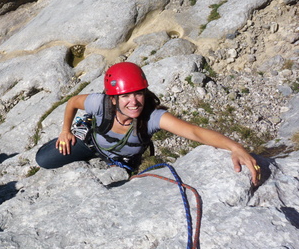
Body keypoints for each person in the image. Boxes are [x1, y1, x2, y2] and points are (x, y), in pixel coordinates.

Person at [35, 62, 261, 185]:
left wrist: (235, 147)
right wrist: (65, 131)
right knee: (43, 160)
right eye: (125, 96)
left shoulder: (153, 118)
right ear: (113, 99)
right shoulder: (99, 103)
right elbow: (73, 102)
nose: (133, 102)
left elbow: (195, 132)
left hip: (122, 160)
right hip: (90, 142)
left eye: (138, 94)